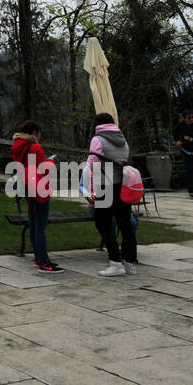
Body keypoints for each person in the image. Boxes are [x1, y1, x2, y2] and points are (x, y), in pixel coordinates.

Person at [10, 121, 64, 274]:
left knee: (33, 224)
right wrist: (51, 162)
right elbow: (44, 169)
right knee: (40, 227)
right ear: (34, 132)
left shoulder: (17, 146)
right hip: (39, 189)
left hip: (27, 187)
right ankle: (43, 263)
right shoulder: (35, 146)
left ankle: (39, 257)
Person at [85, 112, 135, 276]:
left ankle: (115, 262)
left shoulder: (97, 139)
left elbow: (92, 164)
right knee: (125, 224)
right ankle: (129, 263)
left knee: (103, 223)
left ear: (97, 125)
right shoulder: (123, 139)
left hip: (105, 185)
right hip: (123, 184)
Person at [174, 109, 193, 196]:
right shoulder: (180, 125)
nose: (191, 119)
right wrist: (177, 140)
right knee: (189, 169)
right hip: (186, 151)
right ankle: (191, 190)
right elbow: (175, 133)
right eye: (189, 118)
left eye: (192, 117)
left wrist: (191, 139)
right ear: (184, 118)